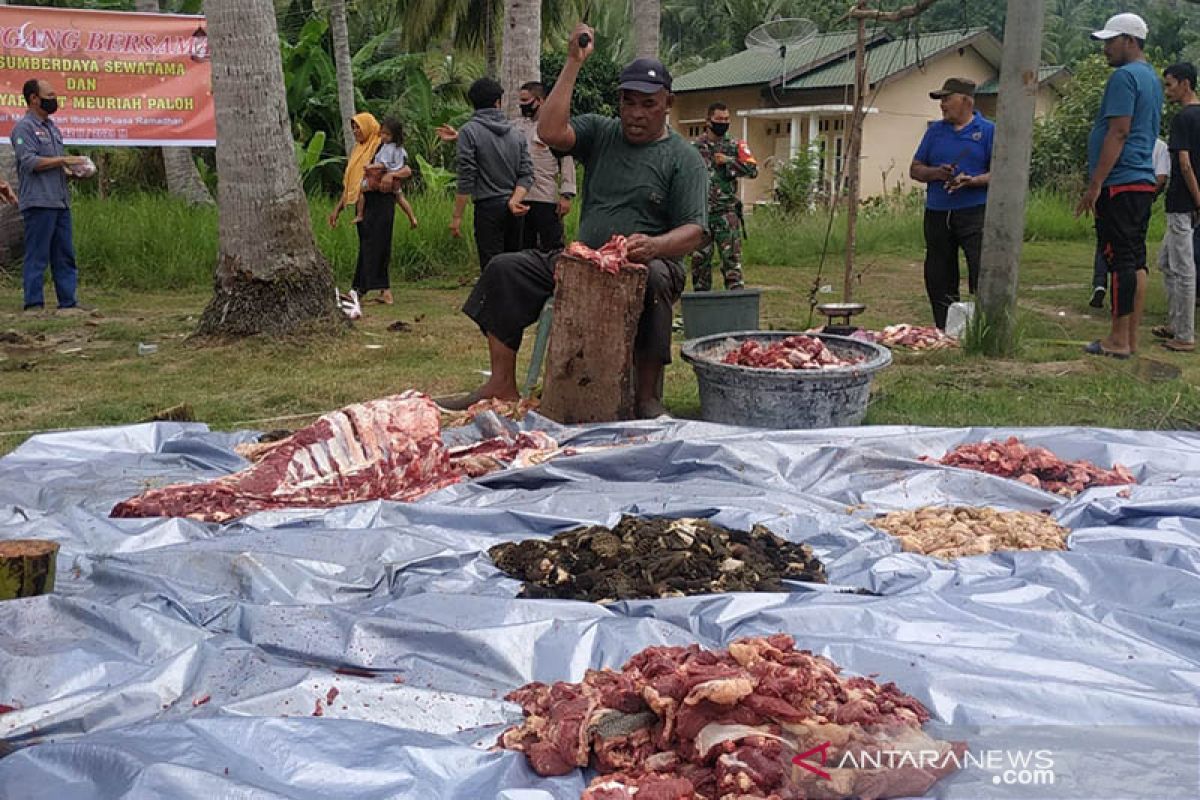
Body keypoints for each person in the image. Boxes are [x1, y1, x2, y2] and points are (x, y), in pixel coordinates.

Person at [446, 25, 708, 418]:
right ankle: (501, 383)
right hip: (586, 259)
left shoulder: (683, 158)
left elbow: (695, 231)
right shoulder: (602, 132)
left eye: (648, 104)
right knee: (505, 268)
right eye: (628, 101)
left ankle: (647, 396)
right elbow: (549, 130)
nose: (636, 113)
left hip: (653, 262)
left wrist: (654, 246)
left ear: (667, 103)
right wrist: (572, 62)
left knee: (651, 277)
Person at [1076, 12, 1162, 359]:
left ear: (1129, 41)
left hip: (1120, 181)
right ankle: (1130, 338)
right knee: (1136, 261)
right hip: (1140, 181)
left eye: (1111, 41)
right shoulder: (1151, 77)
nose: (1105, 48)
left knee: (1119, 263)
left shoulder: (1125, 77)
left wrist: (1096, 184)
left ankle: (1118, 340)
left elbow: (1119, 130)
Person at [909, 77, 994, 330]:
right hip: (937, 212)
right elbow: (915, 169)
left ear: (966, 100)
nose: (942, 105)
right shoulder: (935, 131)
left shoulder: (988, 131)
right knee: (938, 271)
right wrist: (937, 173)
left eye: (947, 99)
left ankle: (982, 326)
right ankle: (944, 327)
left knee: (980, 267)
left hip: (974, 211)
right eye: (941, 100)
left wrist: (974, 180)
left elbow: (1002, 171)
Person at [12, 78, 88, 315]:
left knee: (64, 254)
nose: (54, 100)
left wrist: (73, 172)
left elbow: (54, 165)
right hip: (38, 202)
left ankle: (68, 303)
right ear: (34, 98)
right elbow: (30, 162)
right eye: (50, 95)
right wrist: (64, 159)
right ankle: (33, 304)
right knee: (37, 255)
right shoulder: (23, 128)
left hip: (60, 200)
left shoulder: (52, 128)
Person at [448, 77, 534, 271]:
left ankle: (495, 301)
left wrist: (457, 217)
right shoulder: (516, 133)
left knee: (491, 268)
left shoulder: (469, 132)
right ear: (498, 102)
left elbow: (466, 177)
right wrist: (514, 200)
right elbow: (527, 173)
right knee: (514, 267)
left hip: (487, 208)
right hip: (514, 209)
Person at [328, 112, 411, 306]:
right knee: (369, 246)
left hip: (381, 202)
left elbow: (406, 169)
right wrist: (338, 209)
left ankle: (366, 289)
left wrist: (391, 175)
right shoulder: (359, 150)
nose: (356, 131)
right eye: (353, 128)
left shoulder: (382, 145)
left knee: (376, 245)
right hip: (364, 202)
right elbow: (352, 184)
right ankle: (371, 290)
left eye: (358, 126)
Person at [1151, 63, 1200, 352]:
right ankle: (1175, 322)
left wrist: (1197, 200)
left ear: (1185, 84)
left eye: (1169, 85)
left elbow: (1184, 163)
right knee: (1166, 262)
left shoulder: (1184, 118)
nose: (1167, 91)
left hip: (1183, 202)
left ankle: (1185, 335)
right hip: (1186, 203)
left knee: (1183, 268)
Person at [1090, 136, 1169, 308]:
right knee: (1135, 250)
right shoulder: (1159, 146)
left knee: (1112, 246)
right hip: (1142, 195)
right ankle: (1126, 309)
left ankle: (1101, 284)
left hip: (1119, 192)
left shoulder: (1124, 141)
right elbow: (1161, 177)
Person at [689, 101, 757, 291]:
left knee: (732, 265)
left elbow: (753, 170)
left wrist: (729, 161)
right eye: (719, 119)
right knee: (699, 266)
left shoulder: (736, 145)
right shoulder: (693, 148)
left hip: (726, 214)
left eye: (727, 119)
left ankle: (736, 309)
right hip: (701, 214)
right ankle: (702, 311)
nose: (723, 123)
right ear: (708, 121)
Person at [513, 81, 576, 251]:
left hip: (546, 196)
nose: (522, 105)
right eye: (520, 101)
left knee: (553, 246)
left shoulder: (556, 128)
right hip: (521, 197)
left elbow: (567, 160)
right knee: (524, 246)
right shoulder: (518, 126)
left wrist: (566, 195)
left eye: (526, 100)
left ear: (540, 100)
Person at [357, 117, 418, 230]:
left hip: (384, 176)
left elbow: (383, 165)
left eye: (387, 134)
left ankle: (360, 214)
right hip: (396, 180)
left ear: (394, 135)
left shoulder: (388, 148)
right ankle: (412, 218)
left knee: (362, 190)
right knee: (400, 198)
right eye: (382, 133)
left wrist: (370, 166)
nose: (384, 136)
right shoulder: (399, 149)